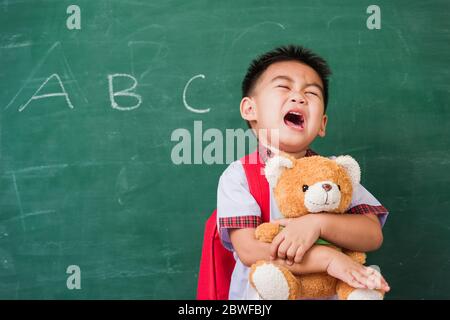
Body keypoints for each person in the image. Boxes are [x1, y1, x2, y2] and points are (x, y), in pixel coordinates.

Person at [216, 45, 391, 299]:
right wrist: (328, 259)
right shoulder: (239, 176)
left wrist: (317, 223)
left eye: (311, 93)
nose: (299, 97)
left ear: (322, 124)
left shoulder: (335, 172)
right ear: (249, 109)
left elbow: (372, 234)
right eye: (283, 87)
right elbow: (250, 250)